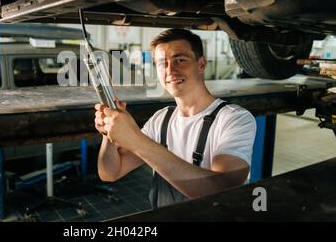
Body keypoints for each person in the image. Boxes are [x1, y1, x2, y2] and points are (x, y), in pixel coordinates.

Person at [94, 28, 256, 208]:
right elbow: (109, 173)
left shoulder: (235, 119)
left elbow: (220, 190)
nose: (170, 70)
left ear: (201, 64)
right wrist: (108, 134)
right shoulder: (161, 119)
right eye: (163, 63)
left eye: (180, 60)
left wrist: (135, 139)